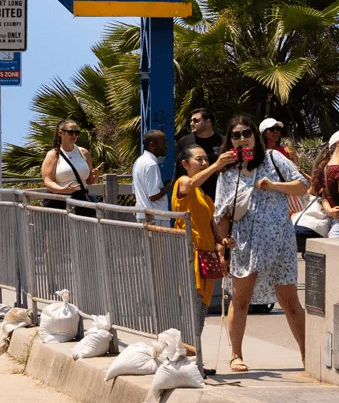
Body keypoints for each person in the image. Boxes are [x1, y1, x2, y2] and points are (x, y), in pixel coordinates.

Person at [211, 115, 309, 372]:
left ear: (255, 135)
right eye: (236, 135)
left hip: (280, 242)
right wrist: (222, 248)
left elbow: (303, 186)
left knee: (289, 301)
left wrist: (274, 185)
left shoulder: (274, 159)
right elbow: (220, 213)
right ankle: (236, 354)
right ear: (230, 140)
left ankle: (308, 355)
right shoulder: (227, 172)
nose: (242, 138)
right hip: (244, 243)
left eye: (246, 133)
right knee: (241, 300)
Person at [174, 143, 233, 315]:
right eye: (199, 159)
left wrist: (222, 240)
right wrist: (217, 165)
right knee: (191, 306)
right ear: (185, 164)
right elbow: (190, 183)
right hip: (190, 253)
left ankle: (194, 340)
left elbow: (211, 223)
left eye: (206, 159)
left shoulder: (204, 195)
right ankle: (187, 341)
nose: (204, 162)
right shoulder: (183, 182)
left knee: (201, 308)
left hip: (206, 254)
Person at [39, 121, 94, 209]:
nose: (74, 135)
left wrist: (95, 175)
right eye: (70, 132)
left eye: (77, 133)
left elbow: (90, 181)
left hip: (81, 200)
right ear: (61, 133)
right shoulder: (53, 155)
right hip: (59, 201)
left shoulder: (84, 152)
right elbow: (48, 181)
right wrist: (62, 190)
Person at [130, 130, 172, 223]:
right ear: (152, 145)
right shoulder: (151, 164)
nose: (166, 147)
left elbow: (134, 194)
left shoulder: (138, 162)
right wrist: (171, 185)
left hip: (142, 216)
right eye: (164, 143)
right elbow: (153, 196)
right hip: (157, 218)